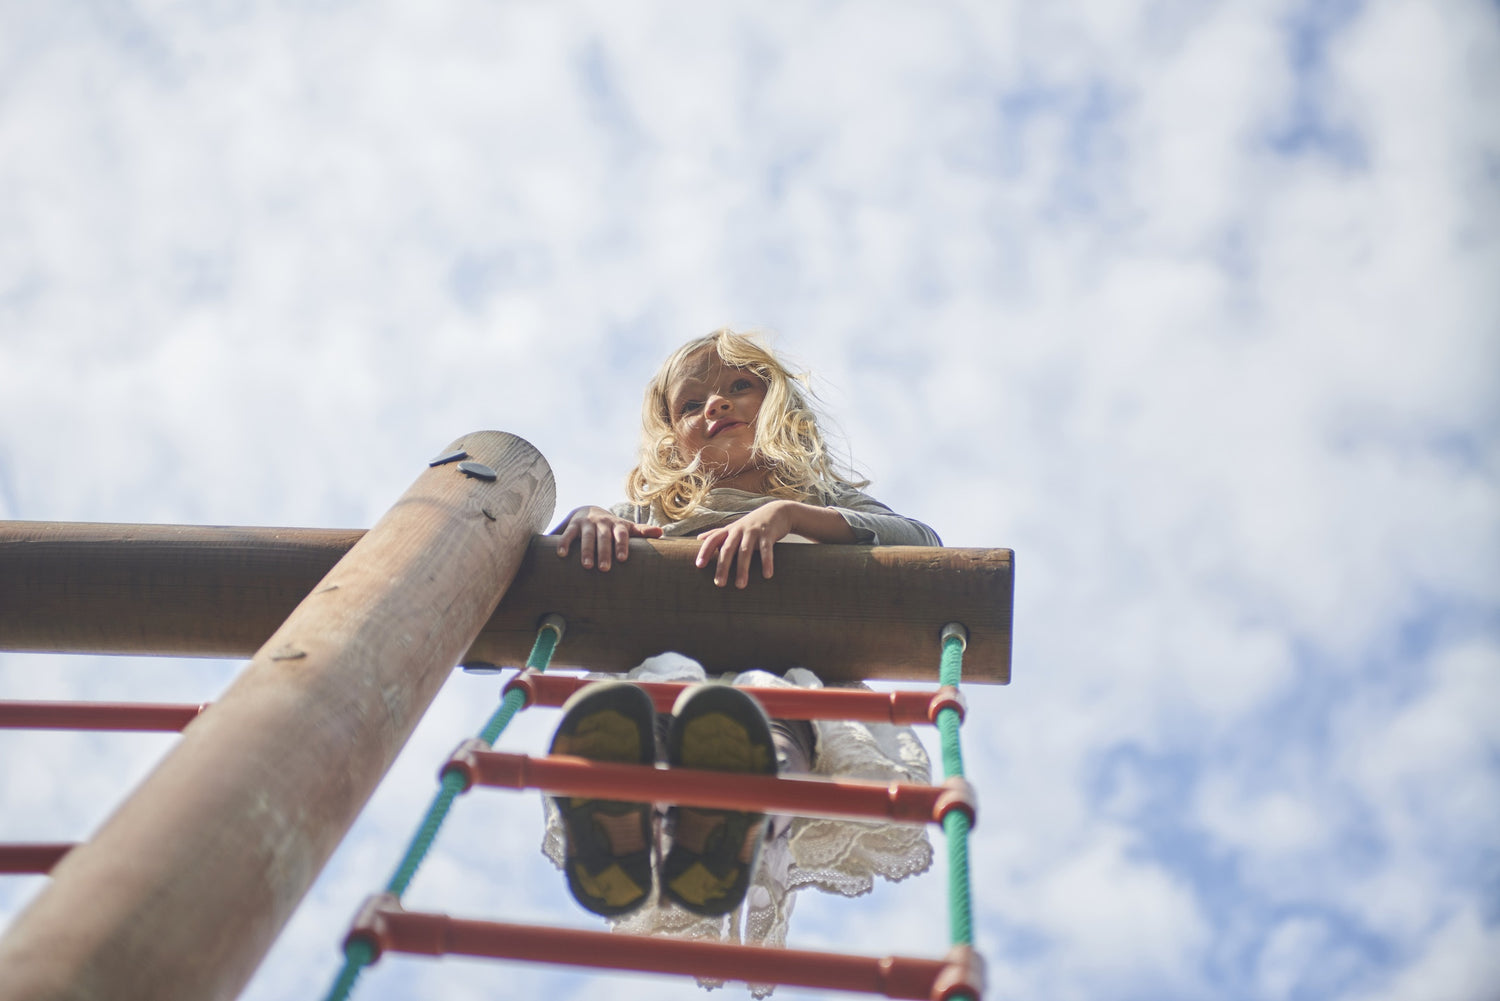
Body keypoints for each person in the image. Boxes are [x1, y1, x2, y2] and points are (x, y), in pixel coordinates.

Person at [544, 329, 939, 991]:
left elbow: (920, 542)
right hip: (669, 682)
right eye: (691, 403)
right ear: (674, 435)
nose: (714, 407)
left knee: (766, 715)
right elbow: (576, 539)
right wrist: (589, 519)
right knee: (656, 691)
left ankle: (740, 821)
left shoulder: (820, 501)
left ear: (777, 401)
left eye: (737, 388)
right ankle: (622, 806)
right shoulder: (661, 511)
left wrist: (790, 515)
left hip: (785, 683)